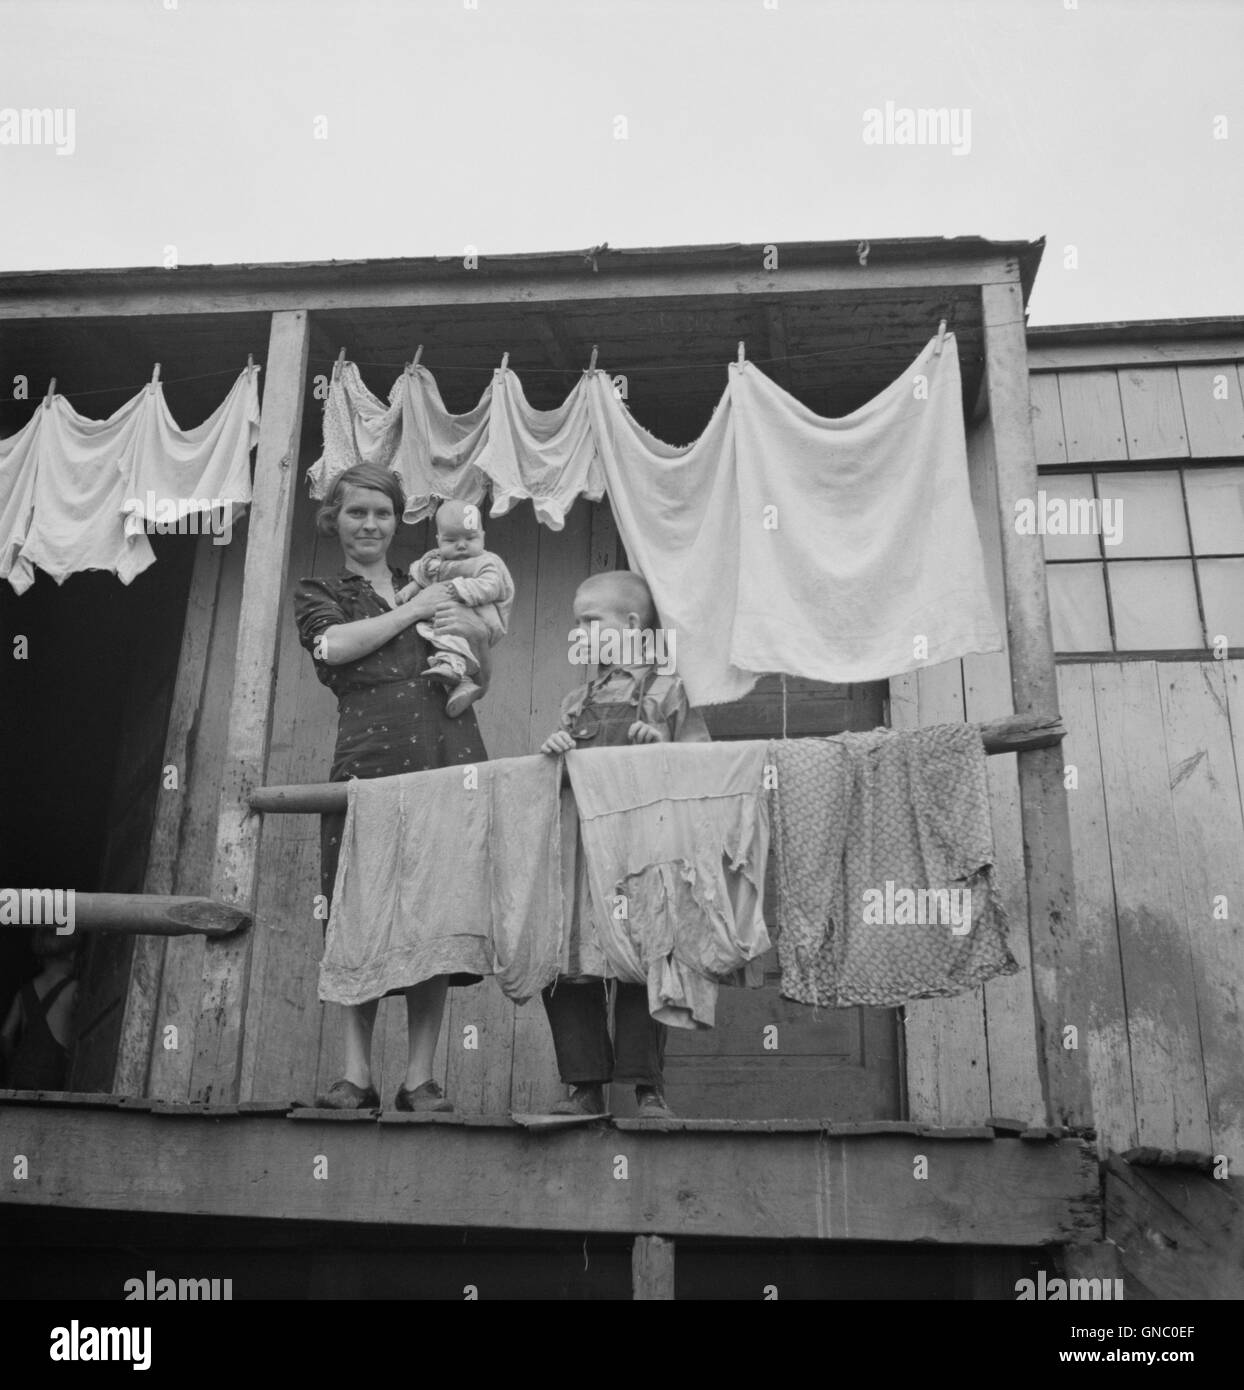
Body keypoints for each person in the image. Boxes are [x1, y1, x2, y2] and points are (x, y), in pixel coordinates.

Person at [294, 463, 493, 1112]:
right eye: (357, 512)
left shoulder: (433, 575)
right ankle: (355, 1075)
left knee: (432, 908)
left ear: (396, 518)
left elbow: (479, 650)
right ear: (335, 519)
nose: (371, 524)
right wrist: (413, 611)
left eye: (382, 512)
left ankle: (418, 1078)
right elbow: (333, 648)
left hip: (445, 749)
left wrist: (473, 668)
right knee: (360, 906)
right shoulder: (324, 591)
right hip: (370, 758)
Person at [538, 569, 708, 1119]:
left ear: (632, 625)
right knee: (570, 961)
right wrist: (556, 750)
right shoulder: (576, 700)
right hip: (585, 853)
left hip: (644, 854)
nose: (579, 633)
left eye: (589, 621)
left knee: (644, 959)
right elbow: (556, 780)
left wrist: (662, 745)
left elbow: (703, 767)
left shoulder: (670, 692)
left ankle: (646, 1088)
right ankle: (583, 1086)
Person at [396, 500, 515, 718]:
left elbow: (491, 586)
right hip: (454, 619)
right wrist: (410, 589)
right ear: (438, 540)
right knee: (443, 633)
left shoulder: (487, 562)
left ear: (483, 536)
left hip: (484, 617)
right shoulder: (435, 560)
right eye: (451, 540)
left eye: (470, 538)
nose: (461, 545)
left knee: (452, 634)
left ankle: (452, 667)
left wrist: (458, 588)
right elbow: (422, 576)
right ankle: (463, 685)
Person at [0, 927, 79, 1090]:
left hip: (20, 1076)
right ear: (72, 955)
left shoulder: (24, 992)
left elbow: (5, 1035)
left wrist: (16, 1061)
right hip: (54, 1075)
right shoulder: (74, 988)